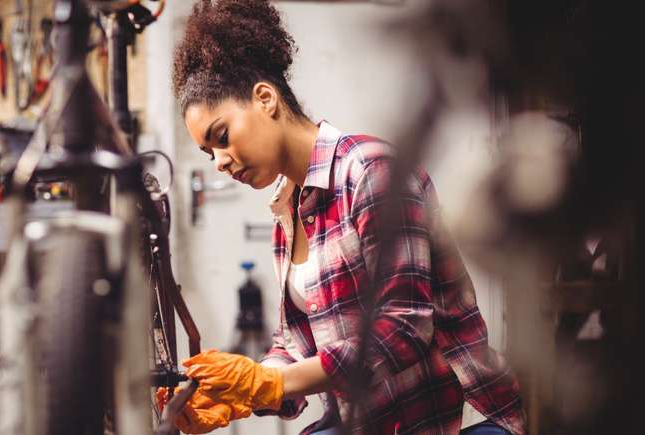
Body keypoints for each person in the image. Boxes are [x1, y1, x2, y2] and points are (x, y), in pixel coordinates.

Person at [162, 1, 526, 434]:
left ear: (265, 99)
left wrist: (270, 382)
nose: (219, 162)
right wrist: (240, 395)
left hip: (451, 416)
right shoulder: (288, 210)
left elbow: (404, 327)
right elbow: (295, 347)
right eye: (208, 153)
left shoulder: (371, 171)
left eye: (221, 137)